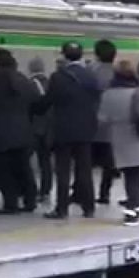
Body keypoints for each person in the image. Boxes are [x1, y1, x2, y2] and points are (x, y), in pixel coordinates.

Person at [40, 42, 101, 219]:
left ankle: (62, 209)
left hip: (64, 130)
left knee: (63, 171)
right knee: (84, 169)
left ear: (64, 56)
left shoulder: (58, 77)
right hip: (86, 129)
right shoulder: (90, 76)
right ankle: (89, 208)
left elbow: (48, 101)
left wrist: (34, 109)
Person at [0, 49, 40, 214]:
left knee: (2, 170)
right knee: (23, 167)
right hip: (23, 129)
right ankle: (30, 200)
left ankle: (11, 203)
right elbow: (35, 99)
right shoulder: (22, 78)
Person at [97, 61, 139, 226]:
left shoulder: (107, 94)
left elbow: (102, 119)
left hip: (118, 138)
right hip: (138, 137)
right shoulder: (138, 92)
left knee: (130, 174)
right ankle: (133, 207)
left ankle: (133, 205)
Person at [91, 39, 118, 204]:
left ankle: (81, 192)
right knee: (109, 164)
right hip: (113, 126)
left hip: (92, 124)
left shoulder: (91, 72)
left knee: (86, 162)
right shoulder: (118, 73)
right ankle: (104, 193)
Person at [27, 57, 52, 202]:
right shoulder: (51, 83)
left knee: (26, 159)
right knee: (45, 162)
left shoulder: (29, 84)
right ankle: (45, 191)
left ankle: (29, 189)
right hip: (49, 128)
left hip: (33, 126)